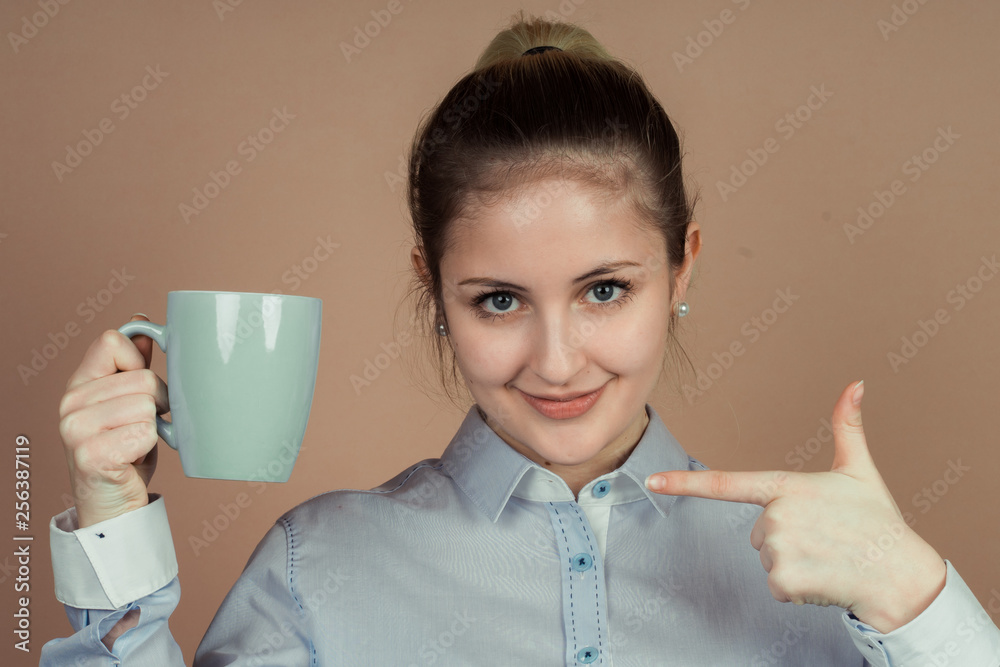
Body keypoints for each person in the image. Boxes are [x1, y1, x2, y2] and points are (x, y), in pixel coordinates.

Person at [42, 13, 1000, 666]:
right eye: (499, 300)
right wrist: (113, 512)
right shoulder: (315, 568)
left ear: (684, 267)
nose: (555, 359)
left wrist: (917, 592)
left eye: (606, 290)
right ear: (433, 287)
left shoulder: (825, 574)